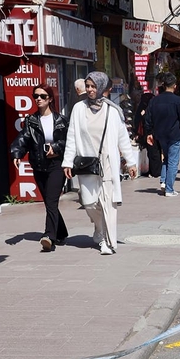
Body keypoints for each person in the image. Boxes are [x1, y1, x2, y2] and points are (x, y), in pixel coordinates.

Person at [62, 72, 138, 255]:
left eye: (93, 86)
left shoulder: (113, 111)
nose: (89, 89)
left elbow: (122, 138)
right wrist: (67, 162)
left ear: (103, 88)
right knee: (89, 203)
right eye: (88, 86)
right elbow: (71, 136)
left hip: (107, 162)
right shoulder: (78, 109)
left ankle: (106, 240)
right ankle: (98, 227)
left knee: (107, 203)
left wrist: (131, 162)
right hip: (87, 162)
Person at [10, 84, 68, 251]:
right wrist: (17, 154)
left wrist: (55, 148)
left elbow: (69, 142)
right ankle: (61, 232)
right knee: (50, 203)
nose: (38, 99)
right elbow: (23, 138)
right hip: (39, 165)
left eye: (42, 96)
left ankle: (49, 236)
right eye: (36, 96)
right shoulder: (31, 120)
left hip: (57, 165)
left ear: (50, 98)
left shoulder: (61, 120)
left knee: (51, 200)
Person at [143, 73, 180, 197]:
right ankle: (169, 189)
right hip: (174, 135)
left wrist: (149, 132)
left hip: (160, 135)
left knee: (166, 158)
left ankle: (164, 182)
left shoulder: (154, 100)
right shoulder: (178, 101)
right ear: (174, 86)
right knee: (173, 161)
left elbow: (148, 118)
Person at [134, 88, 160, 178]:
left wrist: (144, 115)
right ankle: (154, 170)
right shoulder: (152, 107)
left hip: (150, 133)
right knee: (153, 153)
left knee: (153, 153)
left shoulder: (145, 109)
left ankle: (155, 171)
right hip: (151, 133)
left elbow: (142, 121)